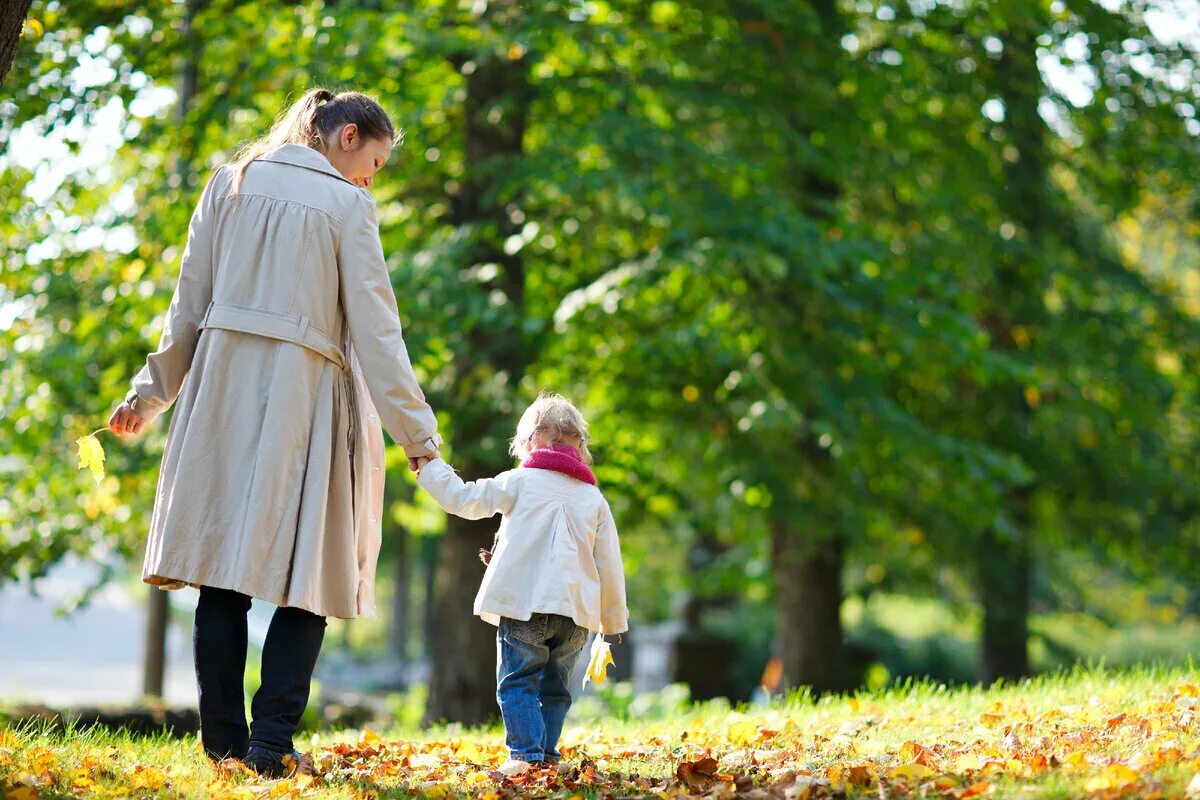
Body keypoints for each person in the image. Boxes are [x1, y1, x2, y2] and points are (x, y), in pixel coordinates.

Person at [107, 88, 440, 777]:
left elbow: (187, 306)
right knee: (309, 579)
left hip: (220, 395)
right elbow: (379, 335)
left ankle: (224, 743)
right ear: (346, 137)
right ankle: (269, 747)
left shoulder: (228, 185)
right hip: (306, 403)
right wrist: (418, 435)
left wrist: (149, 394)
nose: (371, 178)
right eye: (373, 161)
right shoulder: (349, 208)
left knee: (220, 580)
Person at [414, 393, 628, 776]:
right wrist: (611, 621)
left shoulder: (519, 481)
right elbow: (608, 563)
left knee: (517, 682)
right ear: (580, 446)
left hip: (527, 606)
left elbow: (464, 499)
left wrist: (430, 469)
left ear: (531, 441)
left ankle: (526, 756)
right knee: (556, 689)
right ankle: (546, 756)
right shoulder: (593, 498)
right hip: (576, 615)